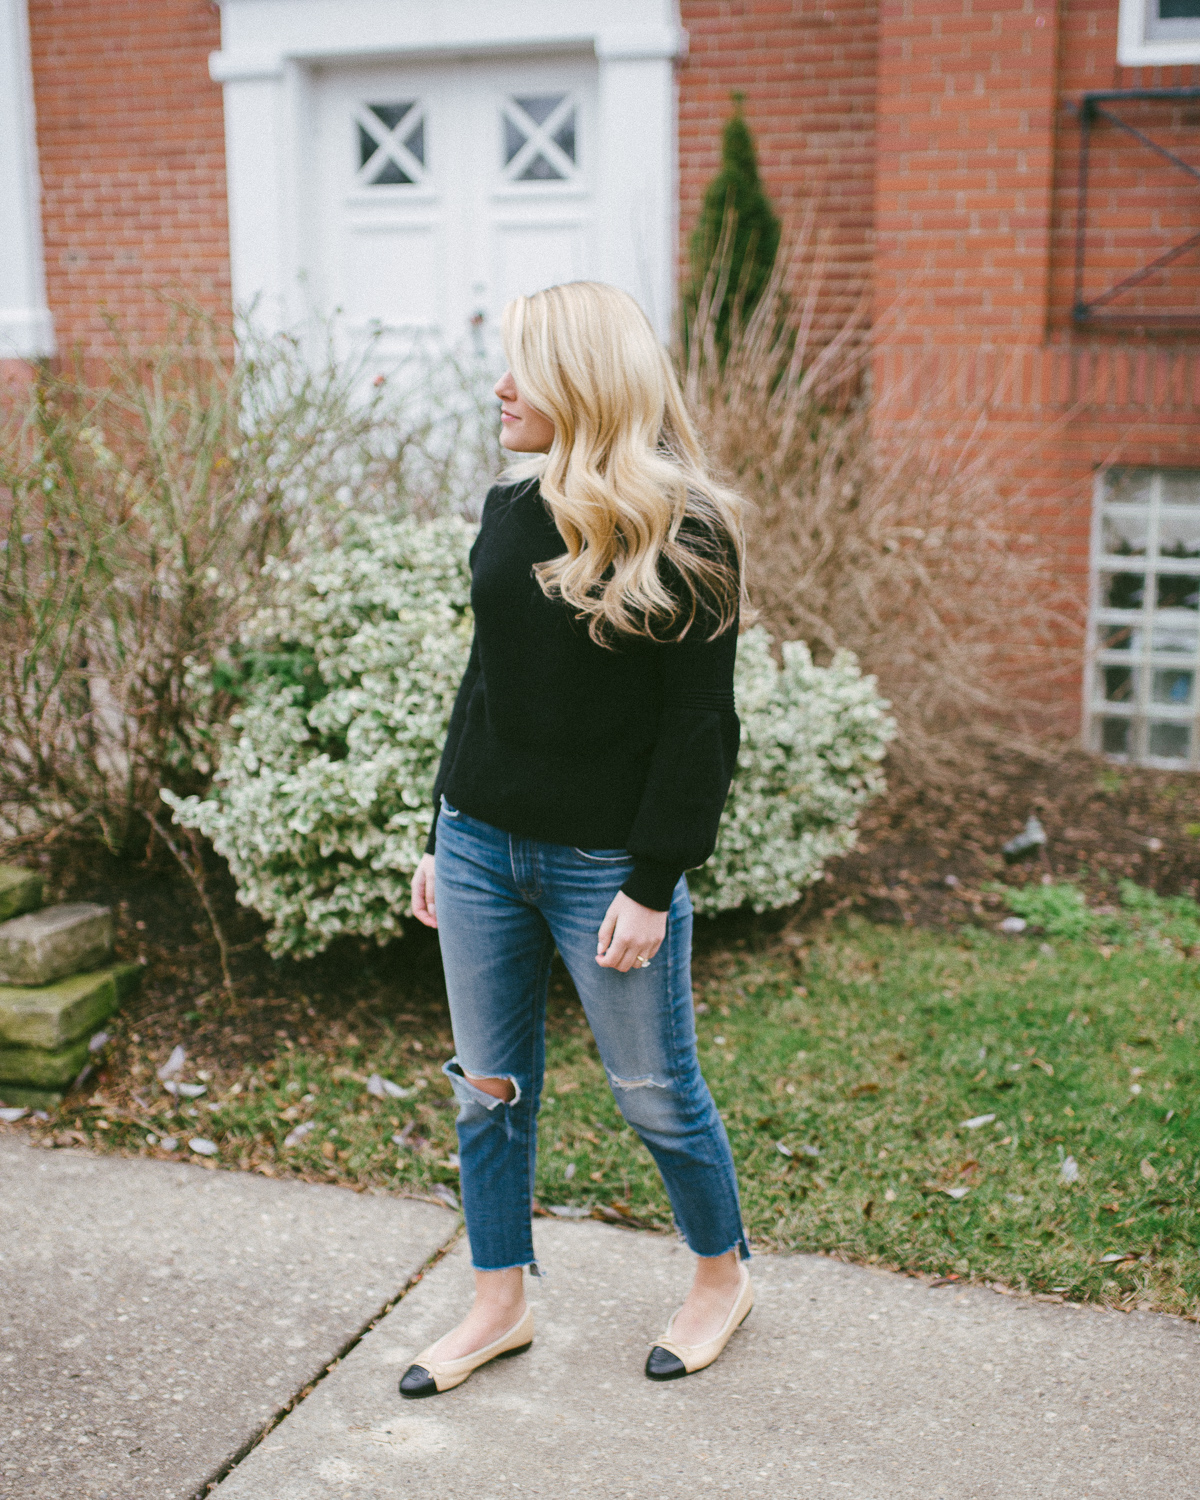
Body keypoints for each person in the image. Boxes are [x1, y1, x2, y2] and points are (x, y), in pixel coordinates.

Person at [402, 281, 752, 1398]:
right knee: (487, 1089)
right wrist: (435, 835)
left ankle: (720, 1278)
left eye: (526, 369)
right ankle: (498, 1302)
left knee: (654, 1090)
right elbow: (481, 686)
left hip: (608, 869)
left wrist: (654, 882)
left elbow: (701, 728)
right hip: (478, 849)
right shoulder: (511, 509)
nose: (500, 387)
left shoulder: (687, 528)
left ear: (587, 385)